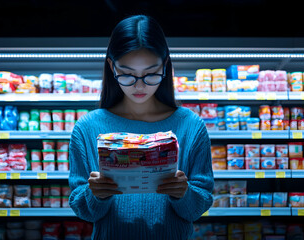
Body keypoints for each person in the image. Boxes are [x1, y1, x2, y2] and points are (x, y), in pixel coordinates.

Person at [69, 15, 214, 240]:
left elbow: (200, 205)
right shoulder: (87, 128)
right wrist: (94, 195)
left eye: (151, 74)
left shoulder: (191, 126)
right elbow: (83, 210)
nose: (139, 85)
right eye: (127, 74)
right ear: (111, 66)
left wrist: (185, 193)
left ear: (165, 66)